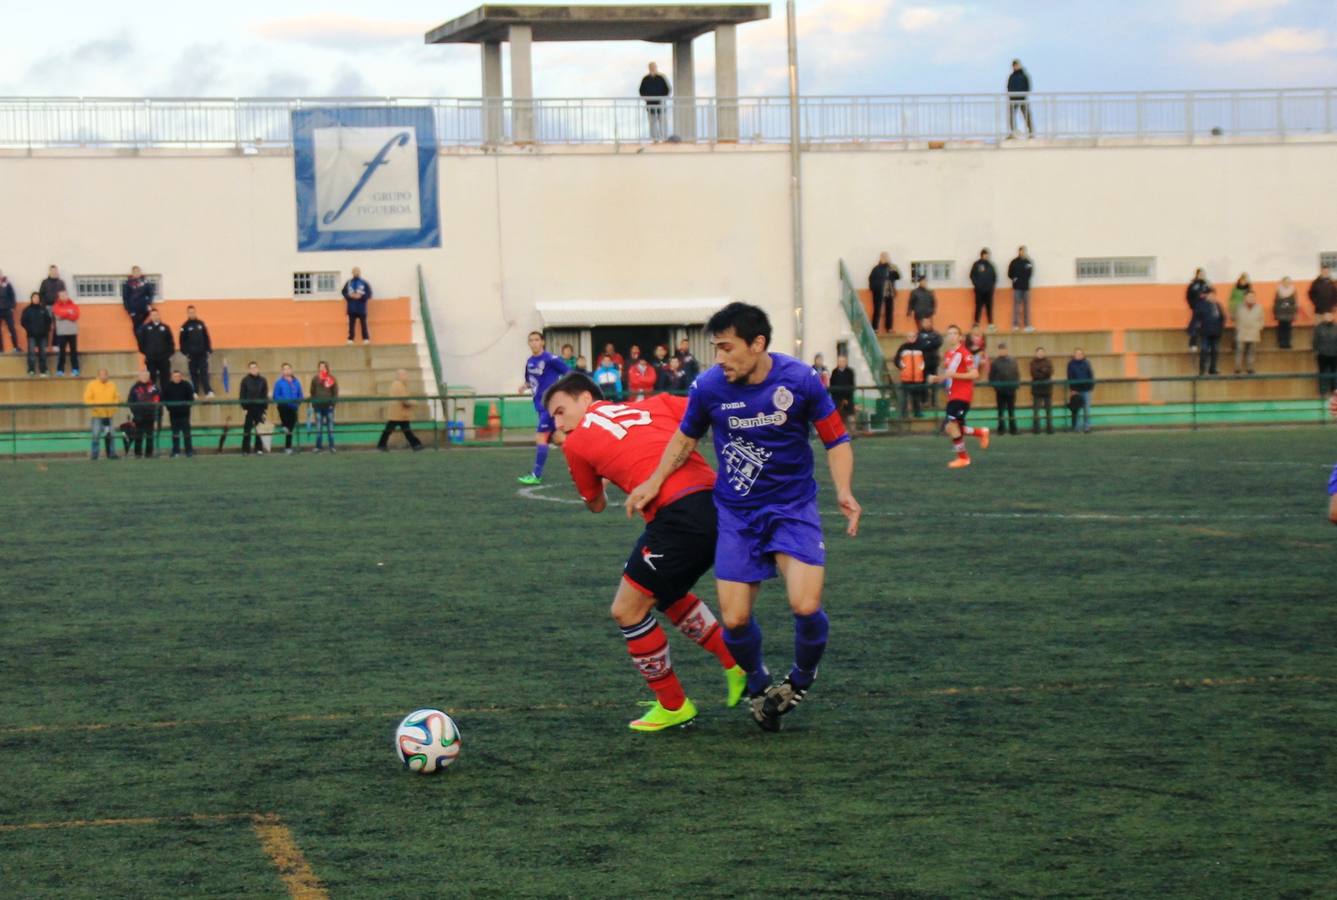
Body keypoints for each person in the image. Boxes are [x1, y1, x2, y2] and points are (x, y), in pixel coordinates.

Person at [626, 302, 861, 732]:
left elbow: (836, 438)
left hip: (792, 509)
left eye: (726, 347)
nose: (719, 357)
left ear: (757, 344)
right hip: (737, 515)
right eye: (715, 348)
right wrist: (655, 480)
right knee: (733, 620)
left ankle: (800, 680)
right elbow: (685, 437)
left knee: (805, 605)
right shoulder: (709, 387)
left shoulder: (800, 379)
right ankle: (758, 683)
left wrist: (844, 490)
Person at [544, 371, 746, 731]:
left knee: (626, 610)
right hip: (719, 505)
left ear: (586, 399)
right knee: (667, 594)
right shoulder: (658, 403)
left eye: (560, 411)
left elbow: (595, 504)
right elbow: (710, 412)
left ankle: (674, 704)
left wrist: (599, 472)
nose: (558, 424)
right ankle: (736, 664)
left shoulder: (576, 443)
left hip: (680, 516)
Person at [927, 324, 990, 468]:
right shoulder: (948, 354)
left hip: (962, 395)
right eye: (949, 333)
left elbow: (974, 374)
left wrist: (954, 375)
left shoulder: (964, 353)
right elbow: (949, 375)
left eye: (954, 333)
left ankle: (963, 458)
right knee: (951, 427)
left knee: (951, 425)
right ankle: (980, 432)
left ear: (960, 337)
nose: (951, 336)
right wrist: (936, 378)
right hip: (953, 395)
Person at [516, 331, 568, 484]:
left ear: (543, 342)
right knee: (559, 438)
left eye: (537, 340)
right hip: (539, 405)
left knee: (541, 436)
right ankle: (586, 466)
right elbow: (530, 380)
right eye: (531, 340)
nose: (534, 343)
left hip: (550, 404)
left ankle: (536, 475)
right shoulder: (530, 361)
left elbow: (569, 373)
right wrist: (524, 386)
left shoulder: (551, 359)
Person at [379, 368, 424, 452]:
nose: (406, 377)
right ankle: (416, 445)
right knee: (405, 430)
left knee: (392, 430)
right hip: (400, 413)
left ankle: (382, 445)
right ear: (400, 376)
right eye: (405, 375)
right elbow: (404, 400)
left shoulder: (396, 384)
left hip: (397, 413)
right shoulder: (399, 385)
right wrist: (415, 403)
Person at [84, 369, 121, 460]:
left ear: (107, 375)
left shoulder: (112, 385)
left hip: (109, 415)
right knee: (96, 434)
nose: (104, 376)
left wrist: (113, 408)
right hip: (97, 415)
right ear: (98, 376)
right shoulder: (92, 385)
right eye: (102, 375)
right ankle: (94, 454)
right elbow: (87, 398)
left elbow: (117, 398)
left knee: (111, 434)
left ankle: (112, 453)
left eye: (105, 374)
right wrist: (96, 408)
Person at [178, 306, 214, 398]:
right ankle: (195, 391)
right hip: (191, 355)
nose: (192, 314)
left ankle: (208, 391)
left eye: (193, 312)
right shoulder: (184, 326)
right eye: (190, 312)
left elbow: (206, 337)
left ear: (195, 312)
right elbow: (181, 341)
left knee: (204, 372)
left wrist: (208, 349)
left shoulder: (201, 324)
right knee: (193, 373)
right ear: (187, 313)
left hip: (202, 354)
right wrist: (186, 353)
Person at [1190, 287, 1227, 375]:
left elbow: (1222, 317)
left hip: (1216, 333)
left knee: (1215, 351)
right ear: (1207, 296)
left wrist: (1220, 327)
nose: (1213, 297)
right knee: (1204, 350)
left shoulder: (1218, 305)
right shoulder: (1201, 305)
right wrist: (1195, 332)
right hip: (1205, 333)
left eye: (1214, 295)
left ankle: (1212, 368)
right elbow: (1196, 319)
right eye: (1211, 295)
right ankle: (1202, 369)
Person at [137, 307, 174, 390]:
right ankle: (153, 396)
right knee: (152, 379)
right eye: (153, 315)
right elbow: (141, 342)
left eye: (156, 315)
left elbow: (171, 342)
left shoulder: (165, 328)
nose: (155, 317)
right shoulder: (145, 328)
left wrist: (168, 355)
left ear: (159, 315)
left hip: (164, 358)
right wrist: (147, 353)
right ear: (150, 316)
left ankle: (165, 396)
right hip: (151, 359)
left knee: (165, 379)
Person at [161, 370, 196, 458]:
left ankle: (189, 451)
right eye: (175, 376)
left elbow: (191, 398)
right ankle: (175, 451)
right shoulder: (167, 386)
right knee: (175, 433)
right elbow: (164, 399)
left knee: (186, 433)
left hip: (185, 414)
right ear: (172, 377)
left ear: (181, 377)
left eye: (178, 376)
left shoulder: (186, 385)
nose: (176, 378)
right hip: (173, 414)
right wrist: (169, 408)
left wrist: (186, 407)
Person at [126, 370, 160, 458]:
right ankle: (138, 453)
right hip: (138, 416)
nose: (144, 378)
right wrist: (135, 411)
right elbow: (130, 401)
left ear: (149, 377)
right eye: (143, 376)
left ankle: (149, 453)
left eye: (146, 376)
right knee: (138, 436)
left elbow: (158, 400)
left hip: (150, 416)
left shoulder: (154, 387)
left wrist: (154, 411)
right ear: (139, 377)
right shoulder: (134, 388)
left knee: (150, 436)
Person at [893, 329, 926, 418]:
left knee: (917, 397)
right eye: (909, 336)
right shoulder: (903, 348)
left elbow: (924, 360)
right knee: (904, 397)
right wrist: (903, 367)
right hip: (906, 377)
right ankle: (904, 413)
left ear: (916, 337)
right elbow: (896, 360)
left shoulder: (920, 348)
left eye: (913, 336)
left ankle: (917, 412)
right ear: (906, 337)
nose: (911, 338)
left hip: (918, 377)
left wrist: (921, 368)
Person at [272, 362, 303, 454]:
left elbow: (300, 395)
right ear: (282, 371)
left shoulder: (296, 382)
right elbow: (276, 396)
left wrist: (297, 403)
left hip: (293, 407)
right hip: (283, 406)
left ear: (291, 370)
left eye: (288, 368)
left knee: (290, 428)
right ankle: (284, 426)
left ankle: (288, 447)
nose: (287, 370)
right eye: (284, 369)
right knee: (287, 425)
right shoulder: (279, 383)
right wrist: (284, 401)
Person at [238, 361, 269, 455]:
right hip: (249, 409)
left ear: (258, 368)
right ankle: (245, 450)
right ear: (249, 370)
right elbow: (242, 395)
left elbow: (265, 395)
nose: (253, 369)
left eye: (255, 367)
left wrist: (265, 409)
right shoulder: (245, 380)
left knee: (259, 430)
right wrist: (244, 408)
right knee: (247, 430)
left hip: (260, 409)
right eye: (251, 368)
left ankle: (259, 449)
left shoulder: (263, 380)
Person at [989, 342, 1020, 435]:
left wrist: (1015, 386)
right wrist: (997, 387)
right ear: (998, 351)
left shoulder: (1013, 361)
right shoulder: (995, 362)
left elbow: (1017, 374)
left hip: (1011, 390)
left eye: (1004, 349)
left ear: (1006, 350)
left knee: (1011, 411)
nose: (1002, 351)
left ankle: (1013, 429)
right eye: (1001, 349)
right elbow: (991, 377)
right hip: (1000, 391)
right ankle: (1001, 429)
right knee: (1000, 411)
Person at [868, 252, 901, 334]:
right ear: (880, 258)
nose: (885, 258)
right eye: (883, 257)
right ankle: (874, 328)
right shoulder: (876, 269)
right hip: (878, 292)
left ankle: (889, 328)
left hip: (889, 291)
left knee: (889, 310)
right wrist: (874, 289)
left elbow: (898, 276)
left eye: (886, 257)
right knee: (877, 310)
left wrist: (894, 268)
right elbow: (871, 279)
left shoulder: (891, 268)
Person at [310, 361, 339, 452]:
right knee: (319, 428)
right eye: (321, 367)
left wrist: (332, 405)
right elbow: (312, 392)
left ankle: (332, 446)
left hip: (329, 407)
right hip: (318, 407)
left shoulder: (331, 378)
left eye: (324, 367)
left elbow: (335, 393)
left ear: (327, 368)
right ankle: (318, 446)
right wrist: (314, 405)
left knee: (330, 428)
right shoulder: (315, 379)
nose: (322, 368)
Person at [20, 292, 52, 376]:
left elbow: (49, 321)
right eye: (34, 297)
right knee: (31, 353)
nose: (36, 299)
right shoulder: (27, 310)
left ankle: (43, 370)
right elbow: (23, 322)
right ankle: (31, 370)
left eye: (37, 297)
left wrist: (45, 330)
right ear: (31, 299)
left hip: (43, 336)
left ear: (39, 299)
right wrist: (29, 330)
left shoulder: (44, 309)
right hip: (31, 336)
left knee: (43, 353)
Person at [638, 61, 671, 142]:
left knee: (662, 121)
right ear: (649, 68)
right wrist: (647, 99)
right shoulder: (645, 79)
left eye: (654, 67)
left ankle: (664, 138)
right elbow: (641, 90)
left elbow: (667, 89)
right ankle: (655, 139)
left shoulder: (661, 78)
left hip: (661, 104)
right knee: (652, 123)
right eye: (651, 67)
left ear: (656, 68)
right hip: (650, 105)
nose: (652, 69)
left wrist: (662, 98)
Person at [1233, 290, 1264, 375]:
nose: (1251, 298)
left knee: (1252, 351)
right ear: (1245, 298)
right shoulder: (1239, 307)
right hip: (1242, 332)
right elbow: (1236, 319)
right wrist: (1238, 328)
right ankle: (1237, 368)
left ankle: (1250, 368)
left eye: (1253, 296)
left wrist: (1259, 327)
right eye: (1249, 296)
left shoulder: (1259, 307)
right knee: (1239, 350)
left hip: (1254, 332)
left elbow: (1261, 319)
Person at [916, 317, 944, 408]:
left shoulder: (936, 334)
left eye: (928, 322)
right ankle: (924, 401)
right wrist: (929, 343)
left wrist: (927, 343)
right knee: (923, 382)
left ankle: (934, 402)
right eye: (924, 322)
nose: (926, 324)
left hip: (933, 362)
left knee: (935, 382)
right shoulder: (918, 334)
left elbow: (938, 343)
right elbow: (919, 345)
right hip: (922, 362)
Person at [1066, 348, 1095, 433]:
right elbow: (1069, 377)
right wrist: (1072, 389)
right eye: (1077, 354)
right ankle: (1077, 427)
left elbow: (1091, 375)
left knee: (1086, 410)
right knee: (1077, 409)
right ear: (1074, 355)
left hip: (1086, 389)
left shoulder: (1087, 363)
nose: (1078, 355)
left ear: (1083, 355)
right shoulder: (1071, 364)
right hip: (1076, 390)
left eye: (1080, 354)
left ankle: (1087, 427)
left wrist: (1091, 387)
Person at [52, 290, 80, 376]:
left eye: (65, 295)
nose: (64, 297)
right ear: (59, 297)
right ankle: (60, 370)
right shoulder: (56, 306)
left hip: (72, 332)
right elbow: (58, 315)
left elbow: (76, 316)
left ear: (68, 296)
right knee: (62, 352)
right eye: (62, 295)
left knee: (73, 351)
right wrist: (68, 312)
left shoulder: (74, 305)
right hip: (61, 333)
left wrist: (64, 314)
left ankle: (75, 369)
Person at [342, 267, 373, 344]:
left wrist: (361, 297)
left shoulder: (364, 282)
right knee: (351, 325)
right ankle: (350, 339)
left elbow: (369, 294)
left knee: (363, 324)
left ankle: (366, 339)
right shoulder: (348, 283)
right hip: (351, 307)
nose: (356, 273)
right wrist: (350, 296)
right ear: (352, 273)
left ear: (360, 272)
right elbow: (343, 292)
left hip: (361, 308)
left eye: (357, 271)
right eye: (354, 271)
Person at [121, 266, 155, 336]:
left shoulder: (145, 282)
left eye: (138, 271)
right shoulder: (128, 283)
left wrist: (149, 303)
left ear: (140, 272)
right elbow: (125, 297)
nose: (136, 273)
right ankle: (140, 340)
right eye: (135, 271)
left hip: (144, 308)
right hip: (133, 309)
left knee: (139, 325)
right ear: (132, 273)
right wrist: (128, 310)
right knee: (137, 325)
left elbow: (151, 294)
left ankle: (141, 339)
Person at [1008, 246, 1035, 331]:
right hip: (1017, 288)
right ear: (1019, 252)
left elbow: (1030, 273)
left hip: (1026, 287)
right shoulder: (1014, 262)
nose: (1022, 252)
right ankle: (1015, 325)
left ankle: (1027, 325)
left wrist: (1025, 280)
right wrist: (1014, 279)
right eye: (1021, 251)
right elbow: (1009, 273)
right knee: (1016, 306)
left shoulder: (1028, 262)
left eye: (1024, 251)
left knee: (1027, 307)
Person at [1029, 347, 1055, 434]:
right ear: (1036, 353)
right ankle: (1036, 429)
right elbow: (1034, 374)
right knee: (1036, 411)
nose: (1040, 353)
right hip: (1037, 390)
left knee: (1048, 411)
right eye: (1039, 352)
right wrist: (1044, 371)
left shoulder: (1049, 362)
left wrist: (1040, 371)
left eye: (1042, 352)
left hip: (1047, 389)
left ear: (1044, 353)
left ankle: (1050, 429)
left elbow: (1050, 372)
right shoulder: (1032, 362)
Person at [970, 249, 997, 331]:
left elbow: (994, 277)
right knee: (978, 306)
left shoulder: (990, 265)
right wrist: (977, 285)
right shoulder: (976, 264)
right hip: (979, 290)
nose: (986, 256)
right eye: (985, 255)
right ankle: (976, 323)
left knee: (989, 307)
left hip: (989, 291)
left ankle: (990, 324)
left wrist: (991, 286)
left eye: (987, 255)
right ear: (982, 255)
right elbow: (972, 276)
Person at [828, 353, 856, 433]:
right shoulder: (834, 372)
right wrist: (837, 399)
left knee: (850, 417)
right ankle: (840, 433)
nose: (841, 363)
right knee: (838, 417)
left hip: (848, 399)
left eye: (843, 361)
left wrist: (847, 398)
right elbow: (832, 386)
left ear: (846, 362)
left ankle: (852, 433)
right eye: (839, 361)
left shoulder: (850, 372)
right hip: (837, 399)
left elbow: (852, 386)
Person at [1007, 59, 1033, 138]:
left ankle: (1031, 132)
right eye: (1014, 65)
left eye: (1016, 65)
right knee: (1011, 116)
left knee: (1027, 115)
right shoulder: (1011, 76)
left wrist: (1022, 94)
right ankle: (1013, 133)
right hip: (1013, 99)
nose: (1015, 67)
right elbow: (1009, 87)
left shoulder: (1024, 76)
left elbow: (1028, 87)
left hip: (1022, 99)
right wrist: (1011, 95)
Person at [1186, 268, 1211, 349]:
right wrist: (1193, 305)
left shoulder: (1206, 284)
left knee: (1206, 325)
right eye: (1200, 274)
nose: (1202, 275)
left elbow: (1211, 294)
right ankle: (1193, 343)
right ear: (1197, 275)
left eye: (1203, 274)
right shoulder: (1193, 285)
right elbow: (1188, 296)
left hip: (1206, 308)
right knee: (1195, 325)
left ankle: (1206, 344)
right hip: (1197, 308)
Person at [1314, 311, 1337, 396]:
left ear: (1332, 317)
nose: (1328, 318)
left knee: (1334, 373)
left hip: (1334, 354)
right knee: (1322, 373)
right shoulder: (1319, 328)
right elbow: (1315, 340)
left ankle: (1334, 390)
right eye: (1326, 316)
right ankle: (1322, 391)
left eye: (1329, 316)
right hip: (1322, 354)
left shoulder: (1336, 327)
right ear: (1323, 318)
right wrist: (1316, 350)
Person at [1274, 277, 1298, 350]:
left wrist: (1294, 312)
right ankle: (1281, 342)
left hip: (1289, 313)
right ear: (1282, 282)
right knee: (1281, 328)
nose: (1287, 283)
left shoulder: (1293, 291)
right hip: (1281, 313)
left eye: (1288, 282)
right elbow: (1276, 302)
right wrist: (1276, 312)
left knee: (1288, 328)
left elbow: (1294, 302)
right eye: (1285, 282)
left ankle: (1287, 342)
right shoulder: (1278, 290)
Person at [0, 269, 18, 352]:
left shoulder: (7, 283)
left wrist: (12, 307)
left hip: (7, 309)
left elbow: (12, 295)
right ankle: (0, 349)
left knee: (12, 328)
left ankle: (15, 347)